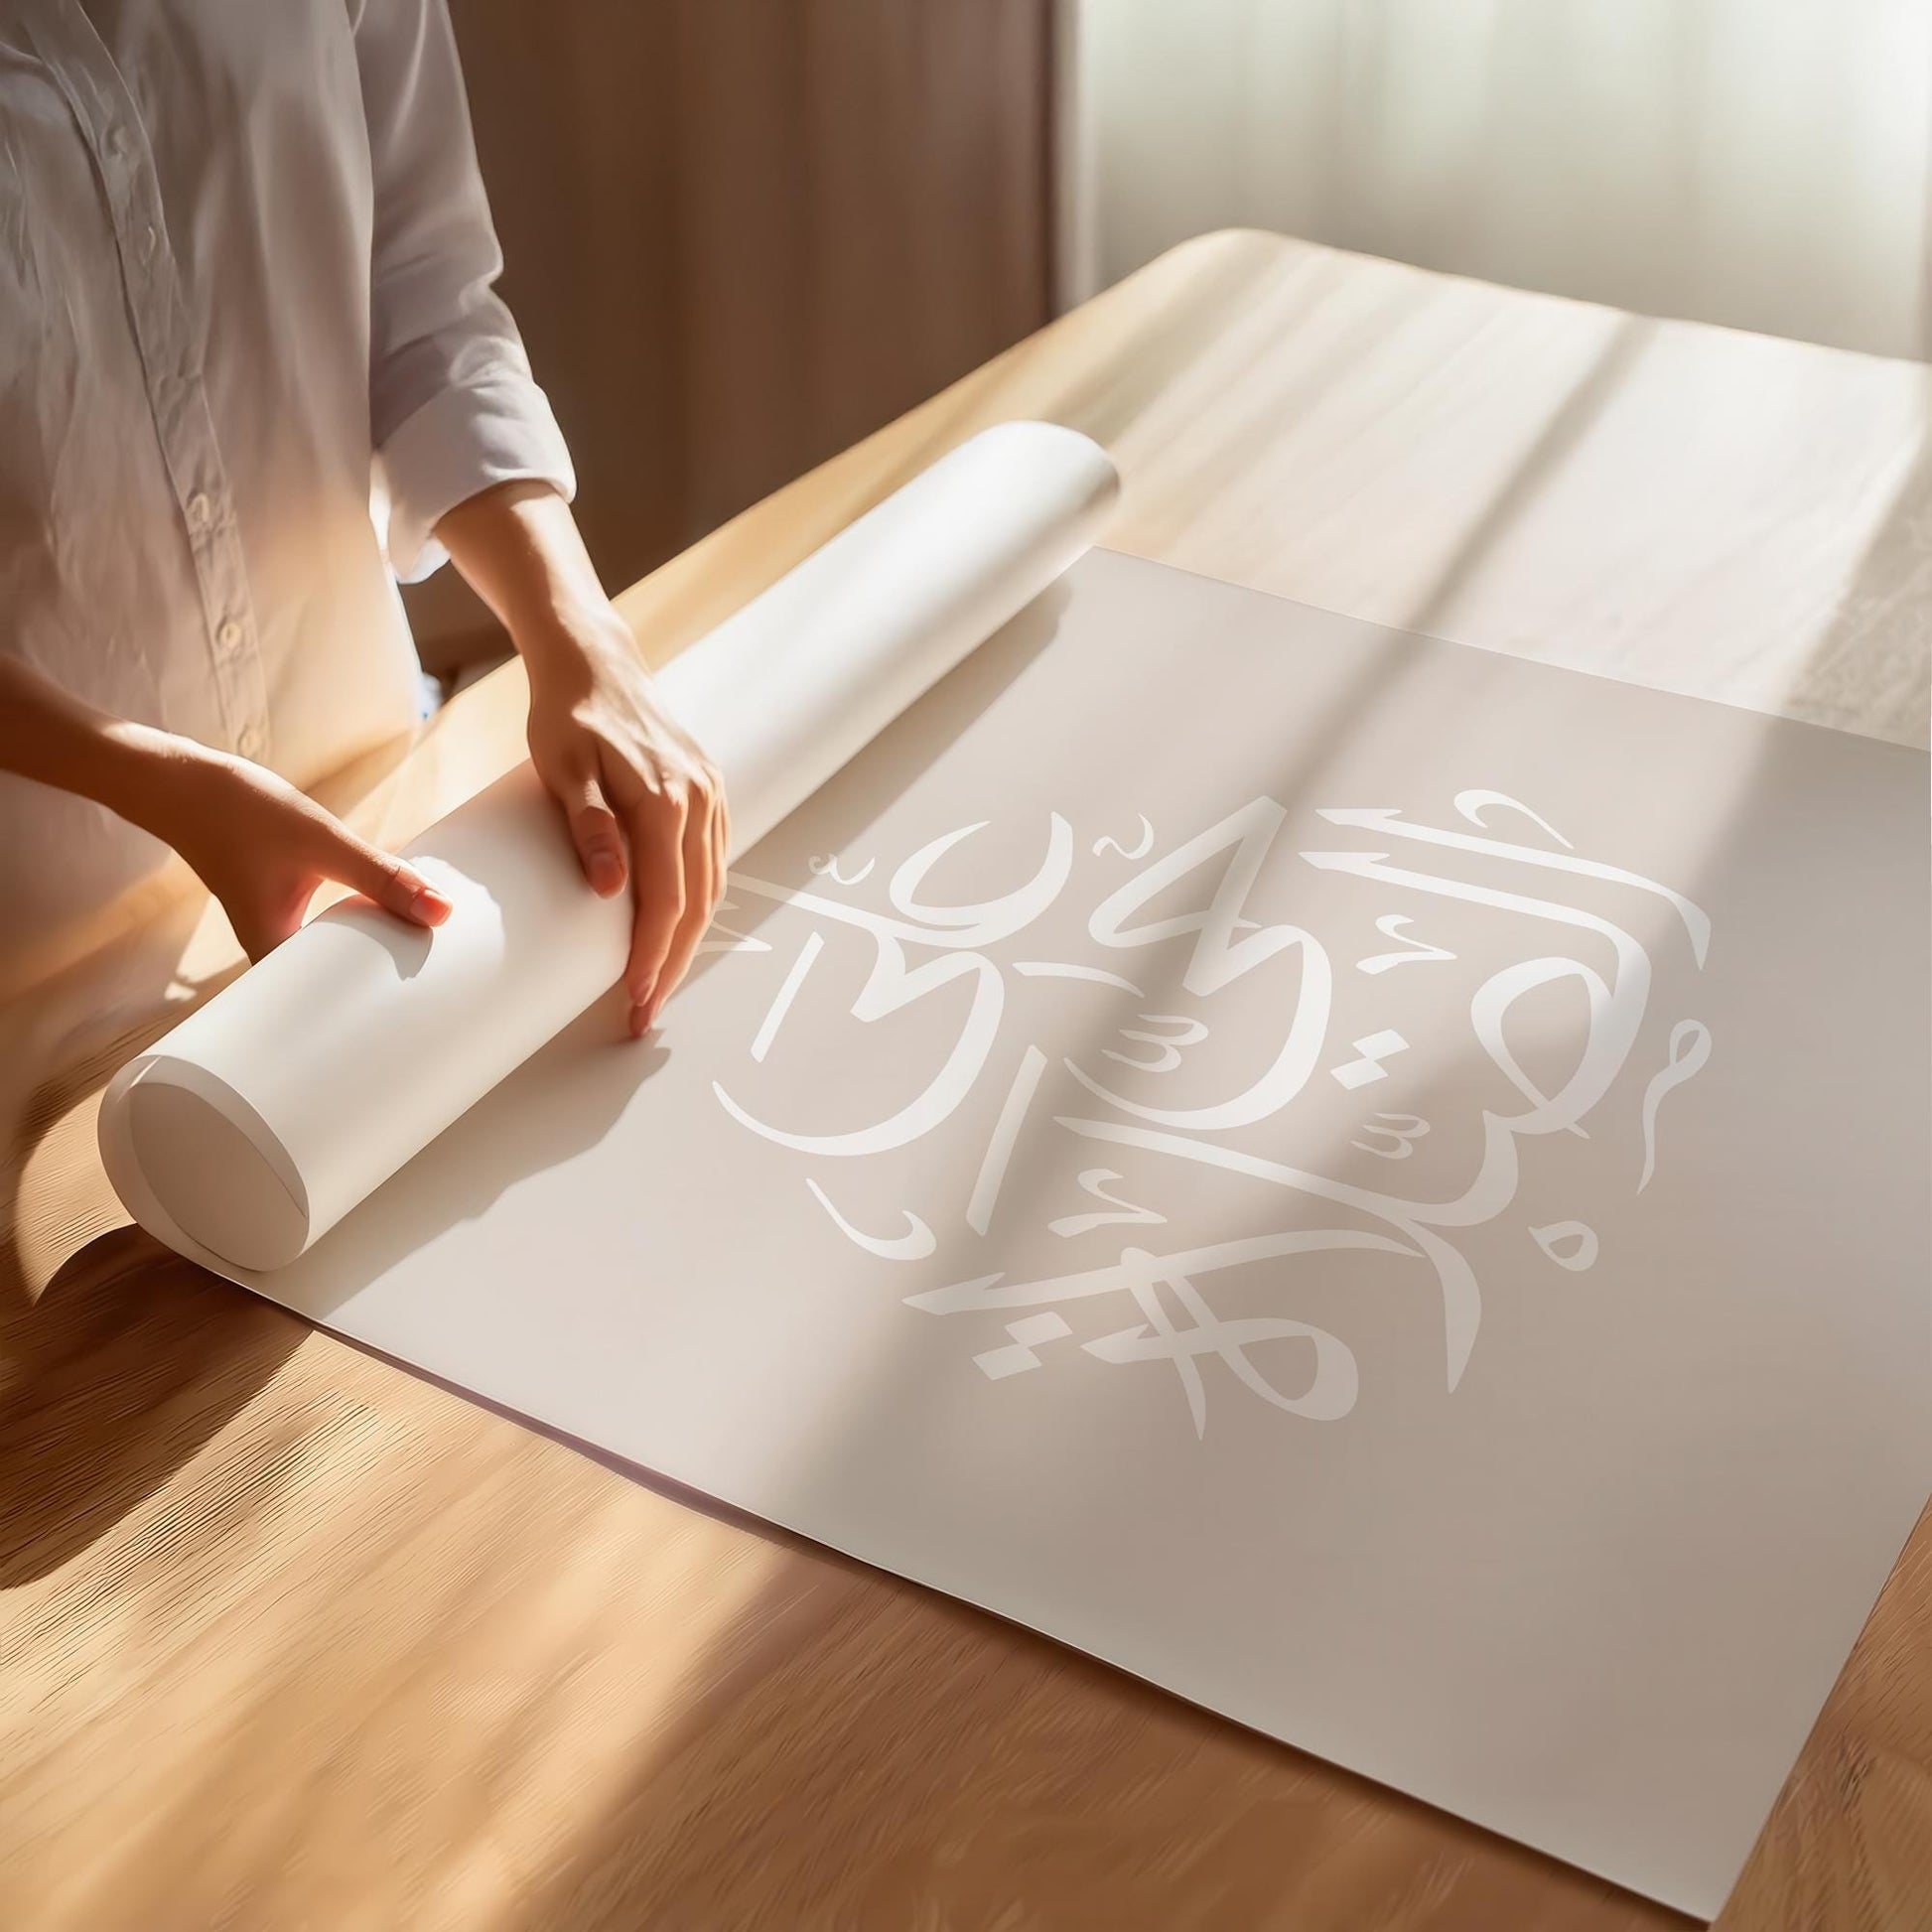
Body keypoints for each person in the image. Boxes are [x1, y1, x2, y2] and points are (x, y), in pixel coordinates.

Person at [0, 0, 725, 1038]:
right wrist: (152, 781)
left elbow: (423, 305)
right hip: (36, 959)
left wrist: (576, 630)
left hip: (382, 794)